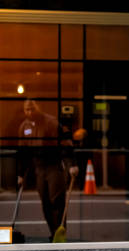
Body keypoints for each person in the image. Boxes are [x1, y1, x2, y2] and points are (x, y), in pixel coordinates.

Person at [17, 100, 79, 241]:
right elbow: (24, 152)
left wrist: (72, 164)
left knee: (56, 201)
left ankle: (60, 234)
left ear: (38, 108)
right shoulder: (24, 127)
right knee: (45, 203)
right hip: (39, 169)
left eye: (32, 109)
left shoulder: (50, 122)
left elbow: (66, 142)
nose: (30, 112)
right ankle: (53, 233)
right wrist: (21, 174)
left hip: (54, 167)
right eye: (27, 110)